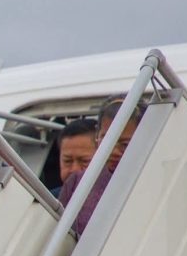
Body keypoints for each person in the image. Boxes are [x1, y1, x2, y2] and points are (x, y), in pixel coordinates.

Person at [59, 96, 145, 236]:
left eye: (125, 145)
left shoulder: (156, 180)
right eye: (107, 141)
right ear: (97, 135)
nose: (113, 151)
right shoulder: (76, 184)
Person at [51, 118, 98, 196]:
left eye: (85, 161)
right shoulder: (46, 201)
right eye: (67, 161)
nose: (74, 169)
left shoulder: (118, 199)